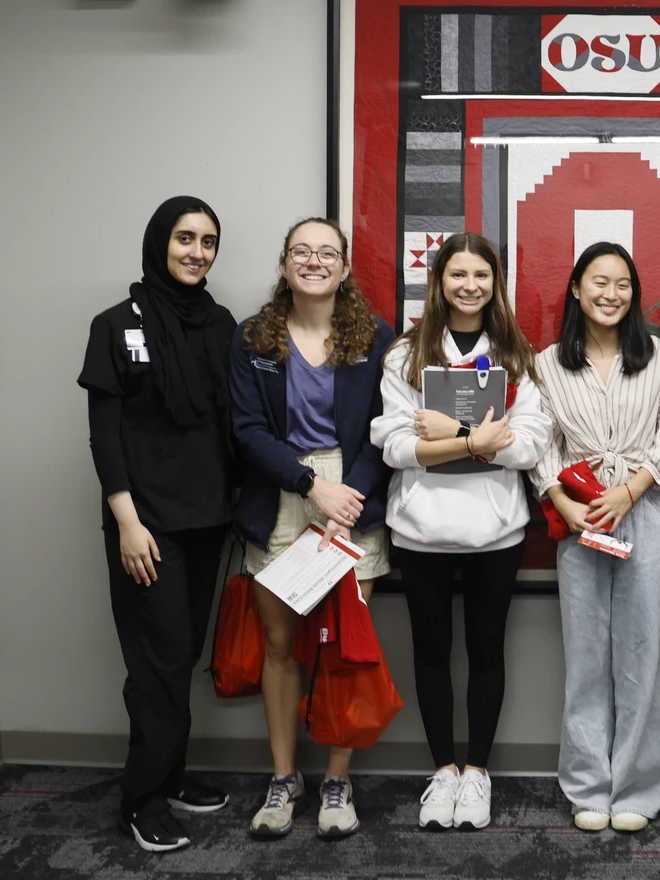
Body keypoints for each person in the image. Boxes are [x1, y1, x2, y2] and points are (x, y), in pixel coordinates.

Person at [370, 232, 551, 831]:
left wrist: (445, 435)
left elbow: (528, 447)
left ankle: (477, 774)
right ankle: (442, 772)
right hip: (421, 530)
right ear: (439, 280)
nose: (469, 285)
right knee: (428, 652)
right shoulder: (405, 355)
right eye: (457, 274)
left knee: (486, 652)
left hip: (495, 532)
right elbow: (396, 448)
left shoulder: (518, 355)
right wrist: (476, 440)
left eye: (481, 275)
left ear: (496, 282)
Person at [77, 196, 236, 853]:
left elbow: (230, 422)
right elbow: (104, 435)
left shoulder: (221, 324)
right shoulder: (115, 325)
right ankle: (140, 798)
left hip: (208, 521)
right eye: (185, 238)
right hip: (146, 526)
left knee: (181, 658)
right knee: (155, 664)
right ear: (158, 243)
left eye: (208, 241)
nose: (197, 251)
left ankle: (169, 776)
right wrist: (126, 524)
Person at [230, 217, 395, 839]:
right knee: (279, 645)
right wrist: (309, 487)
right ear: (283, 265)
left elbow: (387, 428)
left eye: (328, 253)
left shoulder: (376, 337)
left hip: (352, 492)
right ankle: (282, 779)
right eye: (302, 251)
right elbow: (247, 430)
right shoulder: (253, 338)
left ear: (345, 268)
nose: (315, 261)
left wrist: (345, 495)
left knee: (342, 646)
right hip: (282, 493)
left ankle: (336, 780)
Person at [531, 243, 660, 833]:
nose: (611, 293)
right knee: (587, 655)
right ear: (575, 289)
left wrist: (629, 491)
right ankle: (589, 785)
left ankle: (639, 787)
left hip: (642, 511)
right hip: (579, 519)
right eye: (599, 282)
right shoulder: (547, 364)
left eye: (623, 283)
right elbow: (541, 444)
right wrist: (565, 505)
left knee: (645, 652)